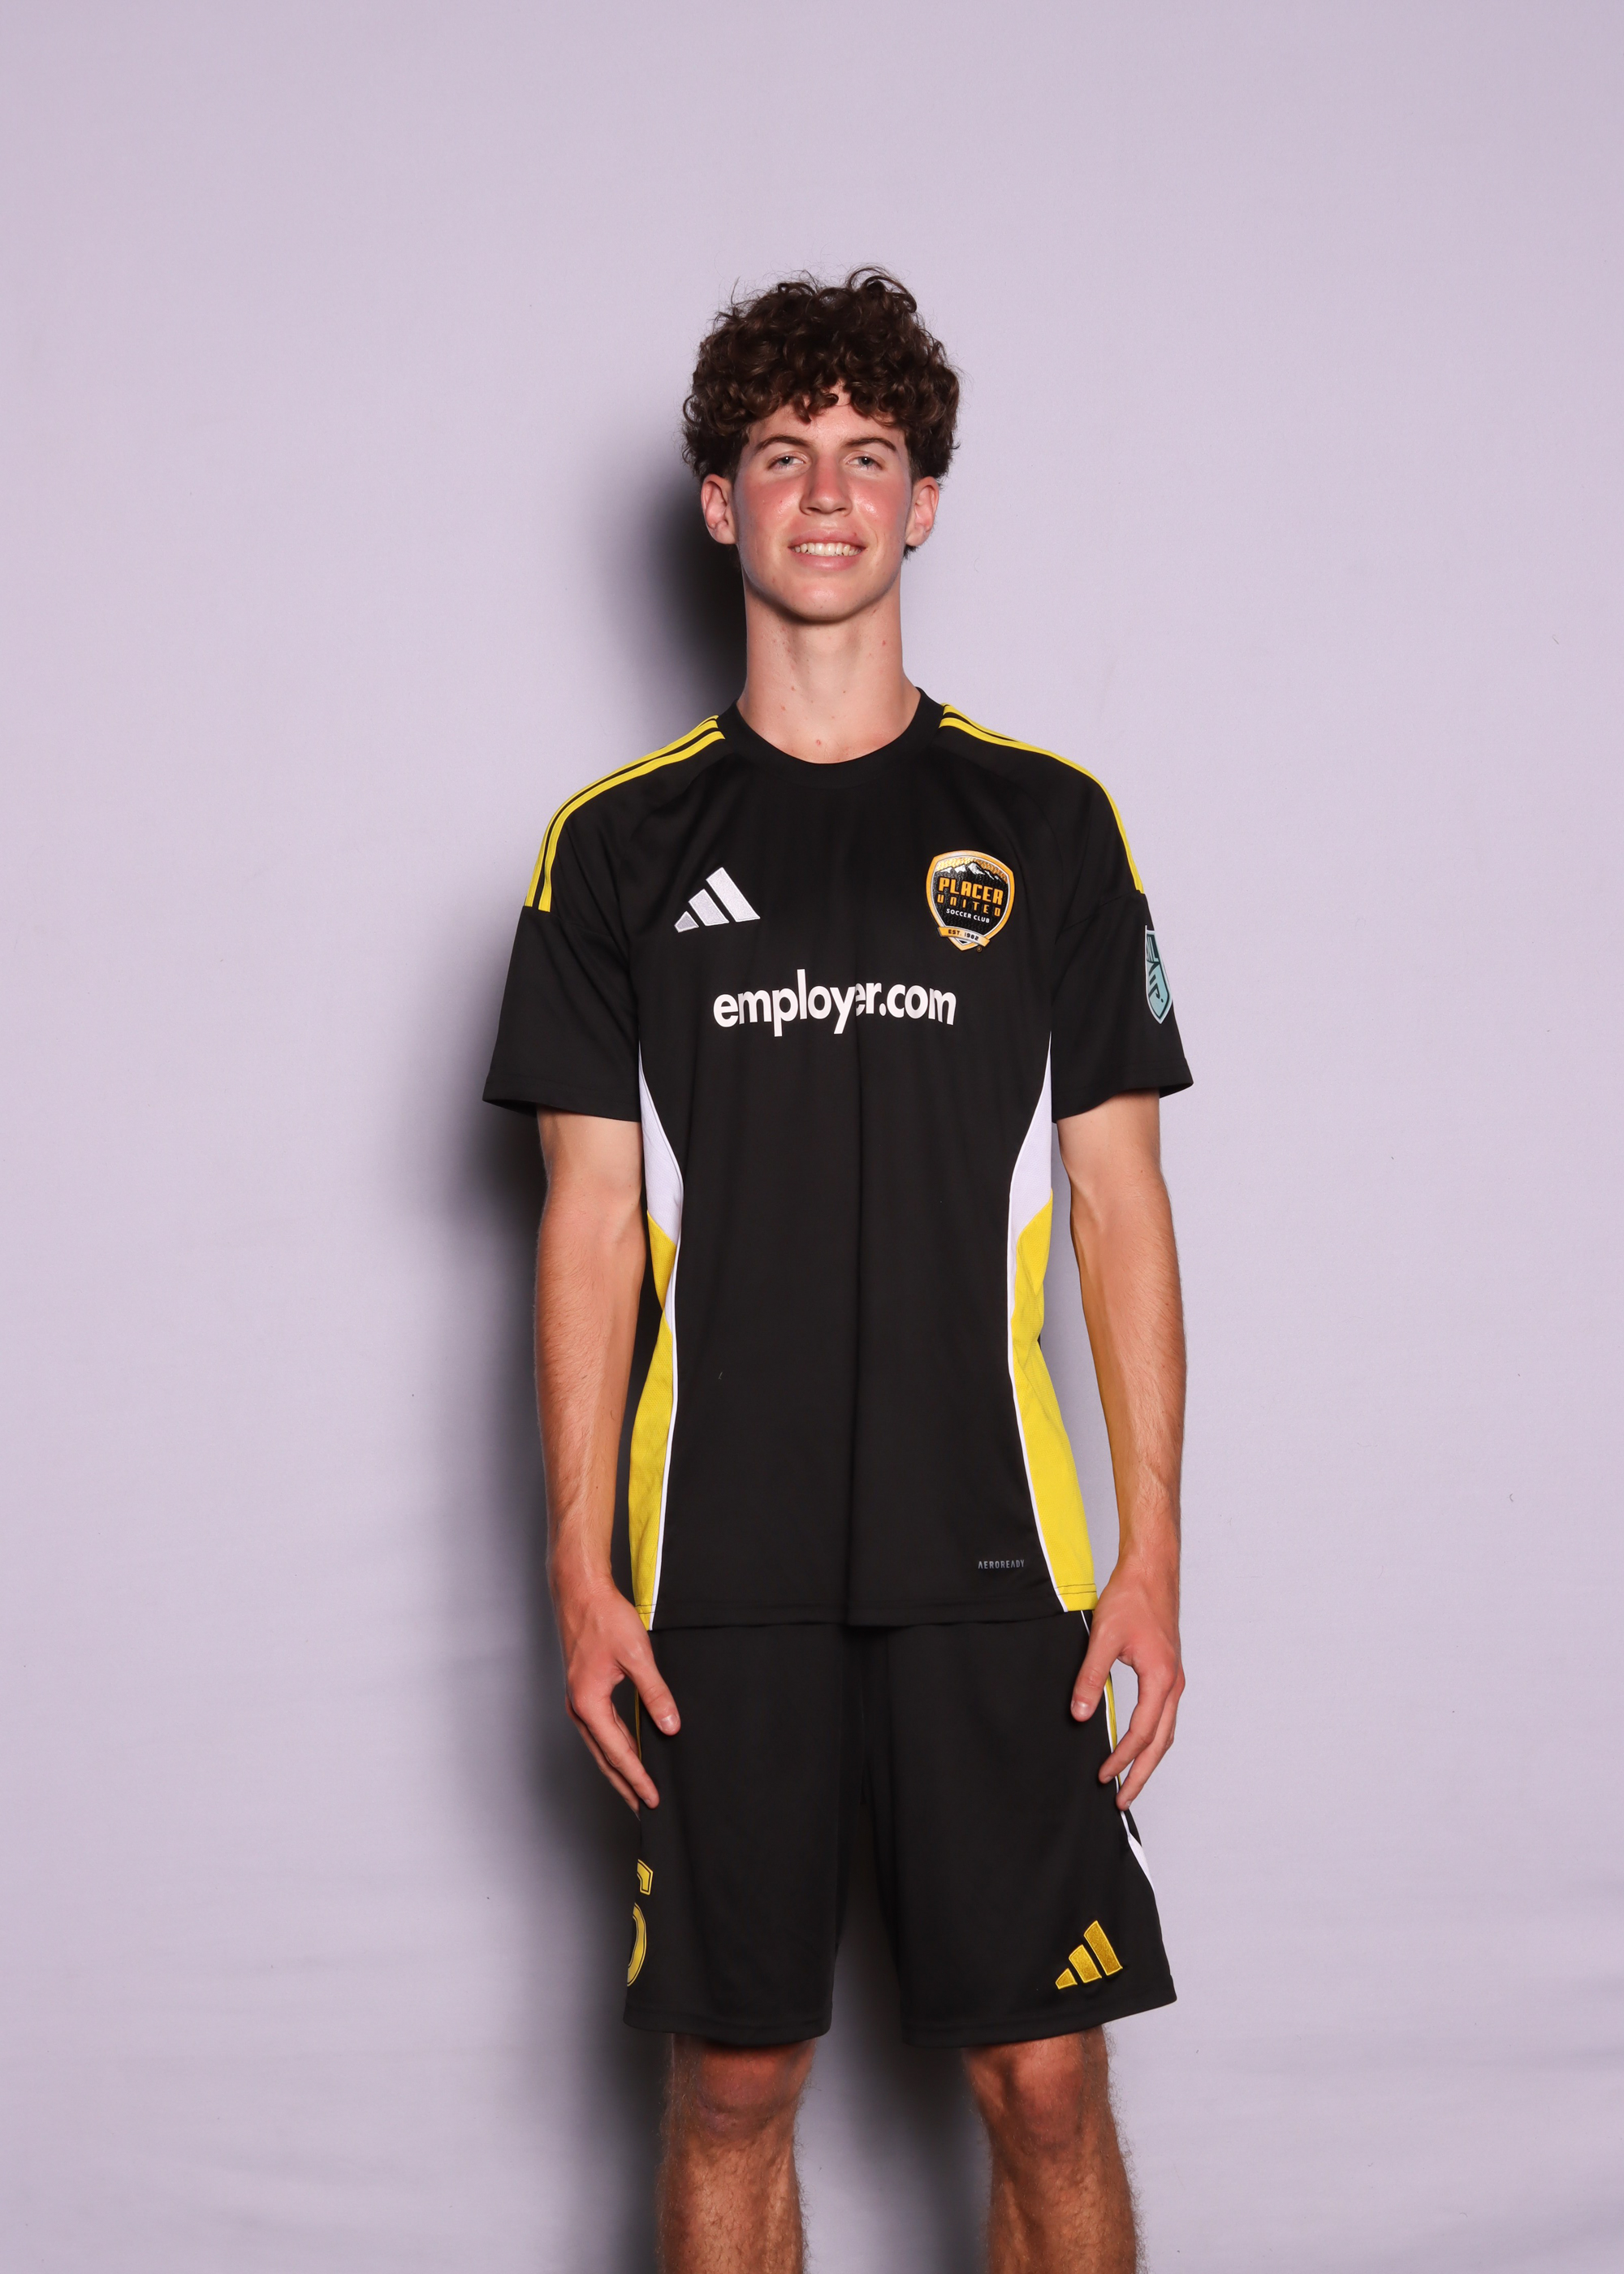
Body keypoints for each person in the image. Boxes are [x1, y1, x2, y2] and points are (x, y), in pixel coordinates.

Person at [484, 269, 1191, 2274]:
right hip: (719, 1571)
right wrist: (578, 1569)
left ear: (922, 503)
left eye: (866, 456)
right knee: (734, 2081)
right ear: (720, 502)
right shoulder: (614, 850)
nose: (825, 493)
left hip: (1001, 1561)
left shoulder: (1047, 827)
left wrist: (1149, 1548)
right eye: (781, 454)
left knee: (1044, 2079)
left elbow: (1122, 1204)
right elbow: (585, 1224)